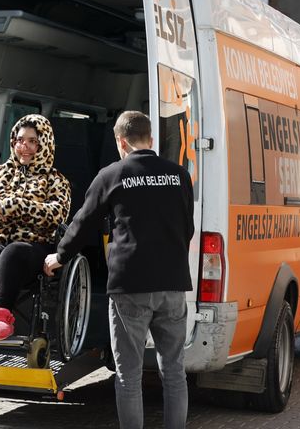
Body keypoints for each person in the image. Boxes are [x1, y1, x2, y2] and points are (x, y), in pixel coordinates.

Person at [44, 111, 194, 429]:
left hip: (131, 286)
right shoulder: (179, 175)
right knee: (174, 371)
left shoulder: (112, 175)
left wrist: (60, 256)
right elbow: (188, 227)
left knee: (129, 375)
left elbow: (84, 222)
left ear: (120, 142)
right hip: (172, 285)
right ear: (150, 139)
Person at [0, 114, 70, 340]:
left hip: (34, 247)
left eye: (31, 141)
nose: (23, 146)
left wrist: (17, 206)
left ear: (44, 144)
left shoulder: (55, 180)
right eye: (19, 140)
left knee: (12, 251)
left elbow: (58, 214)